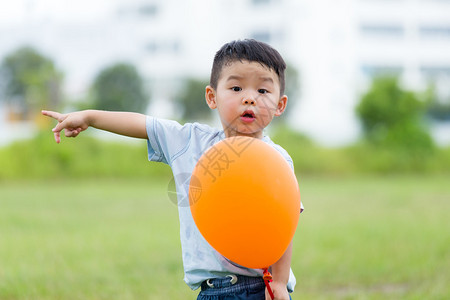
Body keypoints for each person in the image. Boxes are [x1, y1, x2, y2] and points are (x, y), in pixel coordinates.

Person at [42, 39, 303, 300]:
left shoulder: (278, 159)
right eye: (236, 88)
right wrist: (90, 117)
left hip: (263, 287)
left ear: (279, 105)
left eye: (263, 91)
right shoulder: (190, 142)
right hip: (213, 289)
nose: (249, 98)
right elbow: (144, 124)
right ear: (212, 97)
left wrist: (279, 284)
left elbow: (283, 224)